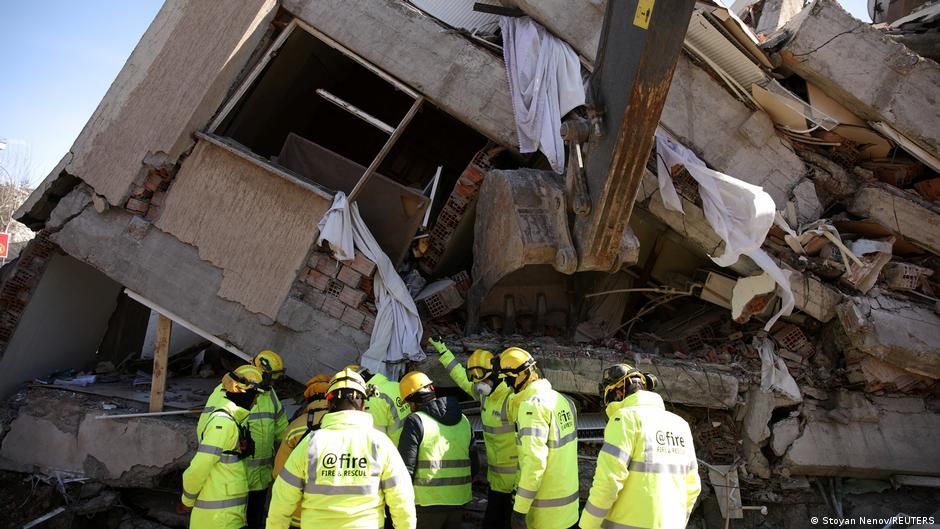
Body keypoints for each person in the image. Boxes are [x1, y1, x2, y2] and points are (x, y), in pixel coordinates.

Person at [266, 368, 416, 529]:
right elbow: (402, 500)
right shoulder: (380, 444)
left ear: (329, 404)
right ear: (363, 405)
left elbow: (281, 500)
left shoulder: (310, 444)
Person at [579, 364, 701, 529]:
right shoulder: (680, 425)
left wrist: (586, 525)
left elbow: (608, 483)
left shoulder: (624, 419)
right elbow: (693, 487)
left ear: (619, 393)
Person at [428, 338, 517, 529]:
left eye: (483, 380)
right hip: (496, 481)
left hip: (515, 485)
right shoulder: (486, 395)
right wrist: (444, 352)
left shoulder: (511, 399)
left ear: (495, 374)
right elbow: (461, 377)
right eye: (476, 381)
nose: (479, 385)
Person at [197, 350, 290, 529]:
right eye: (271, 378)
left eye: (276, 380)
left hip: (260, 479)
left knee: (254, 521)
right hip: (233, 480)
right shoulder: (227, 392)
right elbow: (205, 430)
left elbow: (281, 429)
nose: (273, 384)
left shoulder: (269, 394)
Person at [500, 347, 580, 529]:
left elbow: (534, 464)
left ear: (518, 376)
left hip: (545, 516)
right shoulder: (562, 400)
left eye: (507, 378)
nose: (506, 384)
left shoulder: (532, 408)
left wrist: (519, 510)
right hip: (568, 511)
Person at [180, 365, 265, 529]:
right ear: (243, 393)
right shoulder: (223, 423)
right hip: (218, 519)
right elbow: (199, 467)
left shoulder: (234, 421)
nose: (255, 402)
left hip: (226, 516)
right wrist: (187, 501)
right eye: (255, 395)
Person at [397, 371, 477, 529]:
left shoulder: (416, 421)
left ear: (413, 401)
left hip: (426, 505)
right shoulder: (464, 420)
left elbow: (406, 469)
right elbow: (474, 466)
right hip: (459, 502)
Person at [271, 374, 331, 529]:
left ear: (308, 399)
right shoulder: (344, 428)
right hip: (330, 515)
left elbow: (278, 473)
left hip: (298, 515)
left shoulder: (295, 427)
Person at [351, 364, 412, 445]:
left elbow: (378, 439)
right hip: (415, 440)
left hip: (396, 451)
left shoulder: (371, 401)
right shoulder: (396, 385)